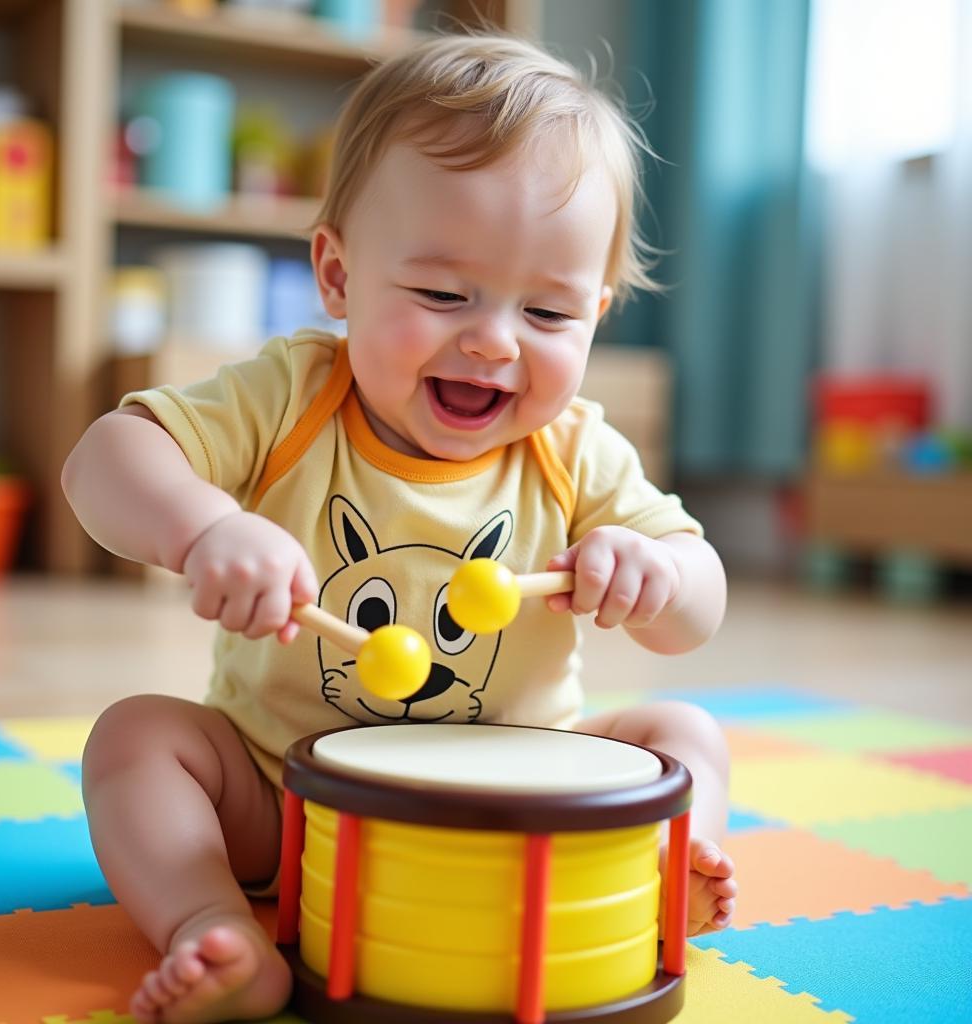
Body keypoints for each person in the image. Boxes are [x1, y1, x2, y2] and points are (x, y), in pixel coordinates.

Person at [62, 31, 735, 1024]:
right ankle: (219, 929)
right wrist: (202, 527)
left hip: (527, 806)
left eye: (549, 314)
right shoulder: (290, 397)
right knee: (136, 740)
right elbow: (104, 461)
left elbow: (697, 605)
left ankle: (662, 874)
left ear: (595, 311)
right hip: (286, 802)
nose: (494, 339)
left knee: (685, 730)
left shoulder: (575, 449)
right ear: (337, 275)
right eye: (440, 293)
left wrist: (658, 575)